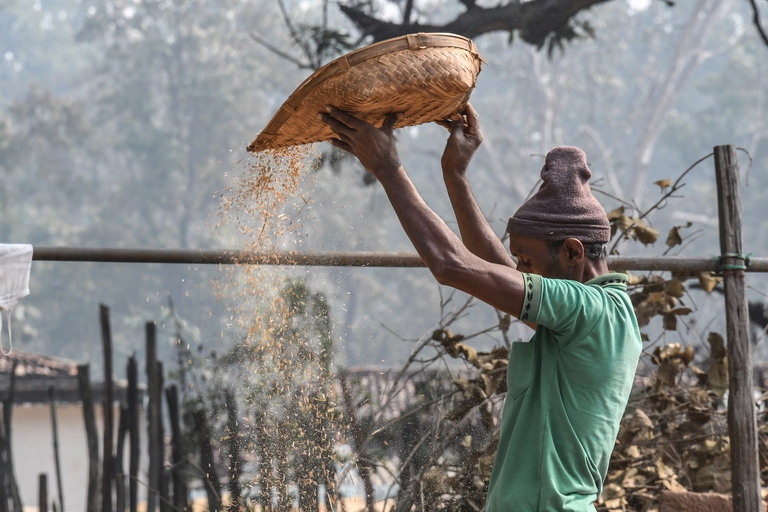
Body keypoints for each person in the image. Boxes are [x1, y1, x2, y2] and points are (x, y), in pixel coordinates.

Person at [321, 104, 642, 511]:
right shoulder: (595, 314)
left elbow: (452, 265)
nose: (520, 271)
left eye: (527, 261)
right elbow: (494, 269)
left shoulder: (591, 310)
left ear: (574, 253)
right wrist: (455, 176)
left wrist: (387, 168)